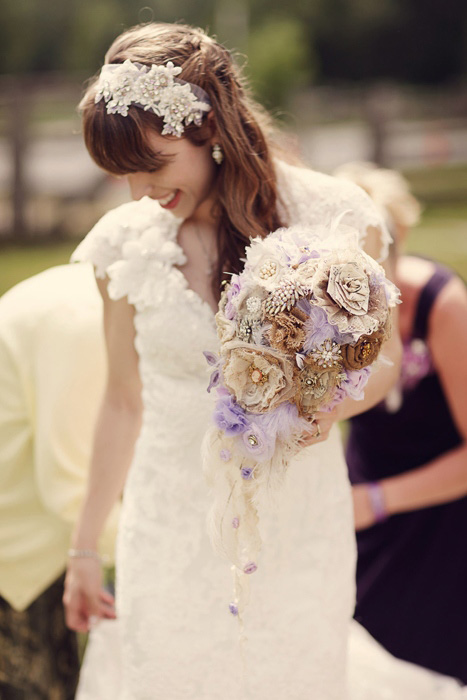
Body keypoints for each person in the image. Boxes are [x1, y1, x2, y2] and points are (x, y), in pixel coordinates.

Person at [61, 22, 409, 700]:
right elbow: (122, 399)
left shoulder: (334, 217)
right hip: (168, 523)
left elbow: (386, 359)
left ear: (210, 128)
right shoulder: (123, 243)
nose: (139, 193)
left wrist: (324, 405)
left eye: (153, 164)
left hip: (296, 517)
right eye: (122, 174)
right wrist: (82, 550)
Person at [338, 162, 467, 684]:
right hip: (360, 487)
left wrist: (377, 501)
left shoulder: (444, 306)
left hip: (438, 504)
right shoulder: (328, 306)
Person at [0, 263, 119, 699]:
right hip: (14, 561)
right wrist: (166, 555)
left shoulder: (89, 294)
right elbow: (67, 484)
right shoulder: (85, 322)